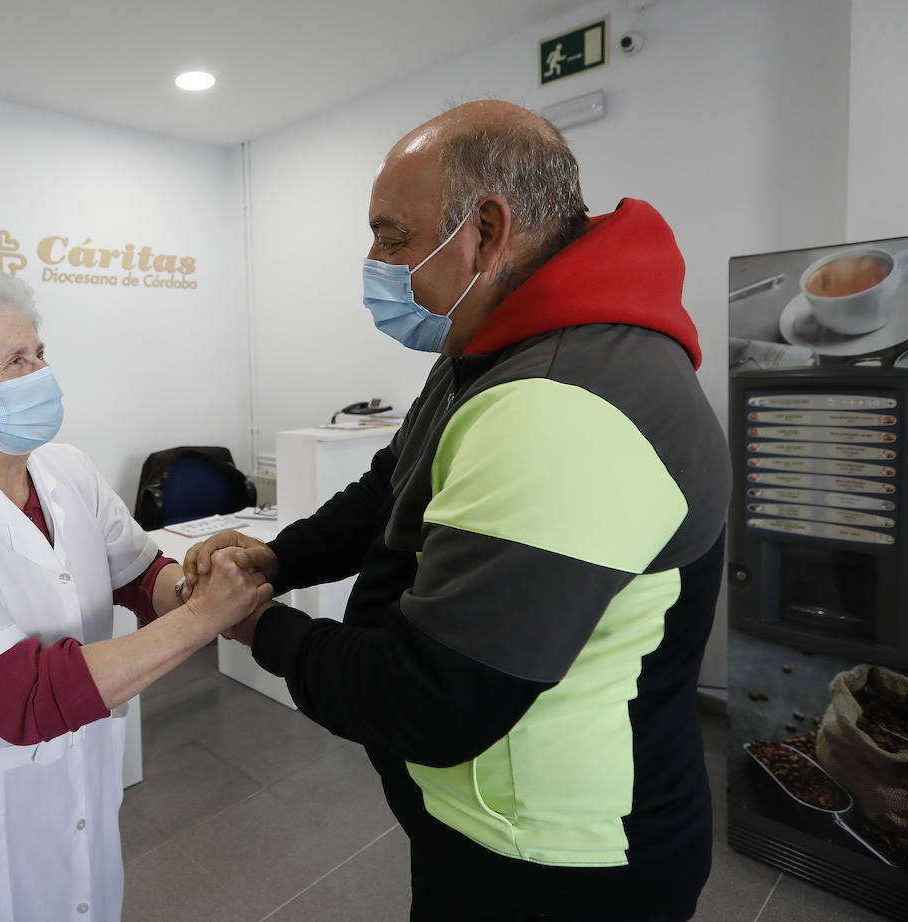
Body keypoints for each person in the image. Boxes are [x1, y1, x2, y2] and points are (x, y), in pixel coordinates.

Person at [185, 100, 731, 921]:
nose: (373, 261)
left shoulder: (562, 403)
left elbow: (431, 701)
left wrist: (253, 623)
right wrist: (279, 559)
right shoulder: (488, 344)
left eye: (392, 237)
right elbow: (392, 485)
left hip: (551, 859)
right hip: (479, 818)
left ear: (485, 229)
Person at [0, 265, 270, 921]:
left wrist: (191, 585)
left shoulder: (65, 470)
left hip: (77, 781)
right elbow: (27, 700)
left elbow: (136, 572)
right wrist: (205, 618)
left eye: (40, 352)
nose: (42, 372)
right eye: (17, 360)